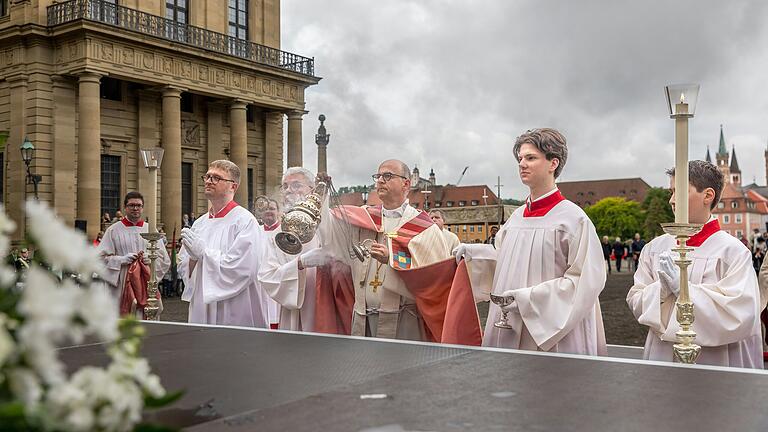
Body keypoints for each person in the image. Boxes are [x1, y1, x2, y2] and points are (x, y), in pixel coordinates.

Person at [454, 128, 606, 355]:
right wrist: (473, 255)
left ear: (553, 163)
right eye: (520, 158)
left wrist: (530, 300)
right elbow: (505, 260)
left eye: (531, 158)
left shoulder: (573, 220)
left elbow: (584, 282)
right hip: (509, 324)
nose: (522, 164)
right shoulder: (516, 218)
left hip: (552, 334)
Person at [627, 160, 763, 368]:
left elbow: (741, 314)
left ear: (708, 196)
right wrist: (661, 291)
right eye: (670, 192)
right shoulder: (655, 248)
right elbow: (636, 300)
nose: (672, 200)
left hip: (717, 360)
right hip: (663, 353)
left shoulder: (733, 252)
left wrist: (684, 290)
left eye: (679, 192)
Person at [318, 159, 452, 340]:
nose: (380, 180)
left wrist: (393, 258)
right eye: (378, 176)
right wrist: (322, 194)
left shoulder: (426, 228)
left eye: (387, 176)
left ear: (406, 183)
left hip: (404, 320)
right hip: (363, 318)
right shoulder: (363, 218)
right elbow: (329, 234)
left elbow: (435, 279)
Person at [179, 160, 268, 327]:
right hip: (201, 301)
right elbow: (186, 270)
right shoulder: (199, 223)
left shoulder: (245, 221)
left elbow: (244, 268)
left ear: (233, 186)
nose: (208, 181)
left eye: (216, 178)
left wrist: (203, 254)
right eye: (207, 176)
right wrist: (191, 259)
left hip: (234, 304)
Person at [258, 168, 323, 332]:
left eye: (295, 185)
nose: (288, 191)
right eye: (285, 186)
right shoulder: (278, 233)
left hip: (325, 305)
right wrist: (299, 264)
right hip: (292, 312)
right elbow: (267, 276)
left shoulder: (327, 223)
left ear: (312, 189)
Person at [97, 192, 171, 316]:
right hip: (122, 281)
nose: (135, 208)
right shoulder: (113, 230)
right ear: (125, 207)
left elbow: (164, 260)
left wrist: (151, 261)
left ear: (142, 208)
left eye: (138, 205)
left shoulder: (151, 229)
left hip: (145, 281)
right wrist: (121, 260)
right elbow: (99, 258)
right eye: (131, 205)